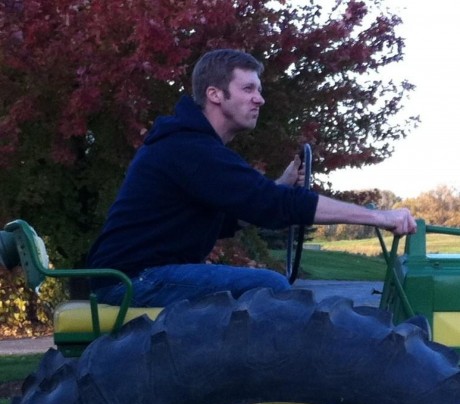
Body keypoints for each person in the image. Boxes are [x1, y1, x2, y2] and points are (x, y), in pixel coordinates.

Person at [87, 49, 417, 307]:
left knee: (266, 286)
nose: (260, 99)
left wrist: (279, 187)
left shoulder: (191, 146)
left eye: (259, 89)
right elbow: (273, 205)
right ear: (215, 94)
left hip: (136, 277)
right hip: (131, 282)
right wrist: (380, 217)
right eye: (248, 88)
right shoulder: (189, 148)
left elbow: (235, 215)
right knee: (269, 287)